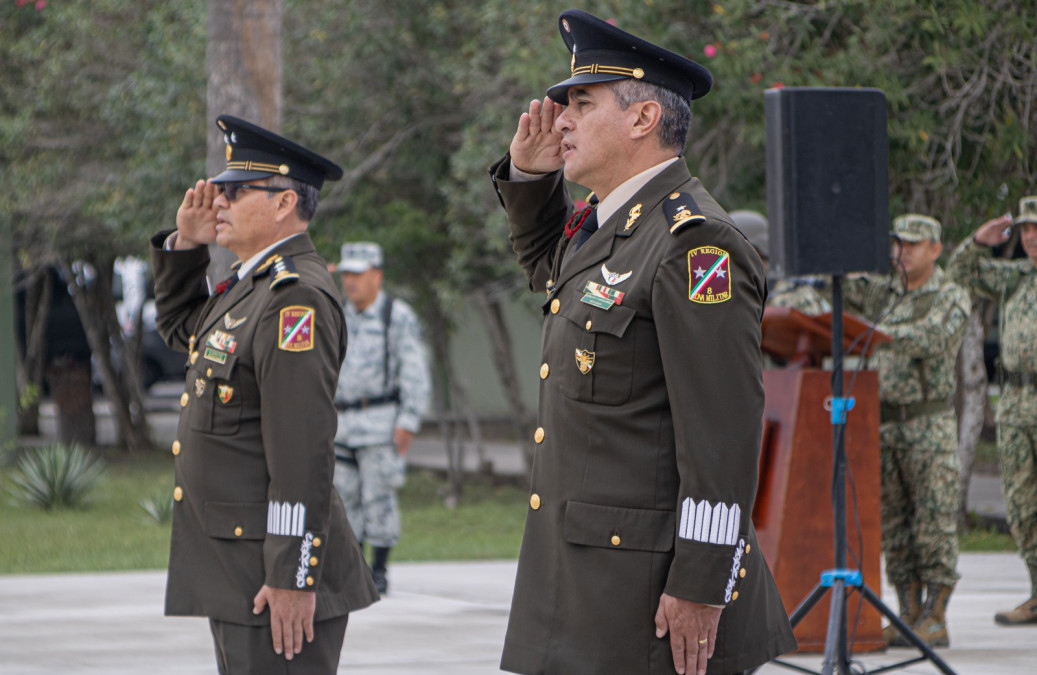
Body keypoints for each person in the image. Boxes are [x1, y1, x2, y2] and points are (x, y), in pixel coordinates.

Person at [487, 10, 796, 675]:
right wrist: (529, 178)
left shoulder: (694, 242)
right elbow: (550, 268)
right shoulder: (608, 228)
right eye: (564, 103)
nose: (560, 118)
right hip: (587, 581)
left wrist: (701, 584)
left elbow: (721, 434)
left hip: (650, 595)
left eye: (581, 103)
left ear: (641, 119)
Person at [151, 115, 378, 674]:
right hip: (242, 566)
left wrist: (293, 577)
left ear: (283, 204)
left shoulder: (291, 297)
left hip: (273, 577)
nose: (218, 200)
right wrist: (186, 245)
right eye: (219, 187)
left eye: (235, 190)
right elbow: (186, 330)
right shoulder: (252, 286)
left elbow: (302, 453)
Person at [842, 214, 970, 647]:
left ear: (935, 249)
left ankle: (936, 615)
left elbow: (931, 337)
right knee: (894, 526)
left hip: (927, 425)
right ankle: (908, 612)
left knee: (933, 523)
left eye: (914, 244)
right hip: (885, 424)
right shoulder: (886, 292)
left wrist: (876, 333)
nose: (903, 251)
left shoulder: (951, 295)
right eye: (898, 243)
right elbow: (838, 283)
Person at [948, 195, 1037, 626]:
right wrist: (977, 242)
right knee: (1022, 507)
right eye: (1026, 230)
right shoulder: (1017, 278)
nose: (1032, 237)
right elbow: (959, 274)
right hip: (1017, 403)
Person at [331, 241, 431, 595]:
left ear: (377, 276)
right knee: (344, 499)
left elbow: (414, 372)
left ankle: (379, 569)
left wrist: (409, 421)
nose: (351, 282)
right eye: (346, 275)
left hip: (380, 424)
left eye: (358, 274)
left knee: (379, 497)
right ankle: (354, 567)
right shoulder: (337, 314)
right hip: (342, 424)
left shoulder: (396, 316)